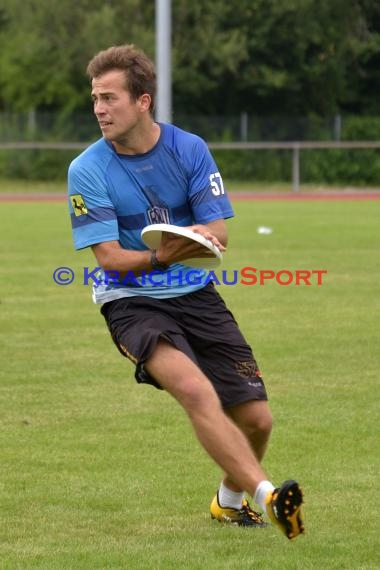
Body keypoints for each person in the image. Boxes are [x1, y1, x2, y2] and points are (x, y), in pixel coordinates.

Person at [68, 44, 305, 540]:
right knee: (195, 390)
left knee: (258, 420)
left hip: (196, 293)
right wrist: (163, 255)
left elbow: (217, 230)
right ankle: (269, 498)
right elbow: (111, 261)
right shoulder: (87, 169)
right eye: (95, 99)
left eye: (109, 98)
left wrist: (187, 247)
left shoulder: (189, 149)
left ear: (143, 101)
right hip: (128, 299)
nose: (99, 109)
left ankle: (229, 500)